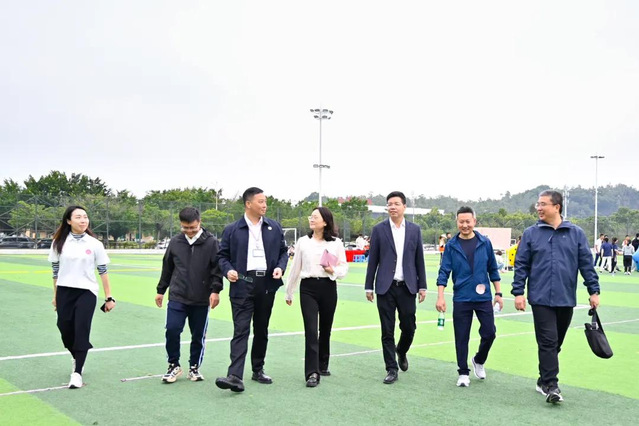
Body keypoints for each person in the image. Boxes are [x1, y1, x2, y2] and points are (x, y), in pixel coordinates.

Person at [512, 190, 600, 404]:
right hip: (540, 298)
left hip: (565, 297)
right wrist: (518, 292)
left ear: (557, 207)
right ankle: (551, 385)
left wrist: (594, 290)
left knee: (556, 342)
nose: (539, 208)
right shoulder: (531, 233)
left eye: (543, 204)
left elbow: (586, 264)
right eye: (538, 204)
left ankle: (543, 378)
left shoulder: (576, 233)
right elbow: (521, 264)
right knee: (548, 341)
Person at [215, 187, 289, 393]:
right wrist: (228, 270)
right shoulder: (232, 229)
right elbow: (222, 256)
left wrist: (280, 267)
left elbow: (284, 252)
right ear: (248, 204)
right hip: (242, 284)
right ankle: (235, 376)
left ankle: (258, 369)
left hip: (266, 284)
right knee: (241, 329)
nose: (265, 205)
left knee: (261, 329)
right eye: (261, 201)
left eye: (265, 202)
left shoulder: (274, 227)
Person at [48, 205, 116, 389]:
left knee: (81, 329)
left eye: (85, 217)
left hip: (87, 291)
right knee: (64, 327)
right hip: (64, 291)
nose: (83, 220)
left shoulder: (95, 244)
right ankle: (77, 355)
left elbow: (103, 271)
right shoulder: (58, 243)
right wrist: (55, 296)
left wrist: (109, 297)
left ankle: (77, 372)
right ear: (68, 221)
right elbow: (55, 271)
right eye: (78, 217)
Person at [365, 191, 427, 384]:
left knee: (409, 326)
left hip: (407, 286)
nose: (392, 207)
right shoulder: (379, 230)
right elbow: (373, 260)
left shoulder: (414, 230)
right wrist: (368, 286)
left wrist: (422, 286)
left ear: (404, 207)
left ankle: (401, 350)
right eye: (389, 204)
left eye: (396, 204)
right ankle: (391, 369)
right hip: (385, 287)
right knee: (387, 330)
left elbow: (419, 259)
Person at [155, 207, 223, 383]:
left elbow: (217, 269)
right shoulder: (175, 242)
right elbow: (167, 267)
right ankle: (173, 365)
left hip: (201, 298)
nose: (189, 231)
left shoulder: (211, 243)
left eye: (192, 227)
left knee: (198, 335)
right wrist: (161, 290)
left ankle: (194, 367)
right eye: (185, 227)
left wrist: (215, 291)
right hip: (177, 295)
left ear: (199, 223)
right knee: (172, 329)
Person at [436, 207, 502, 387]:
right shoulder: (451, 245)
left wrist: (498, 293)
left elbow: (493, 269)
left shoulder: (485, 242)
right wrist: (441, 297)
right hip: (461, 297)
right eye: (461, 222)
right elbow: (444, 272)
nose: (464, 225)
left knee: (490, 333)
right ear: (457, 222)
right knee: (461, 336)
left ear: (474, 221)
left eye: (468, 221)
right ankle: (463, 372)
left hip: (483, 297)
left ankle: (479, 360)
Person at [285, 207, 348, 387]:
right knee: (311, 330)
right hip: (308, 288)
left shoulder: (336, 243)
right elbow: (295, 268)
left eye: (315, 217)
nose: (311, 219)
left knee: (325, 329)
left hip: (328, 287)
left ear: (325, 222)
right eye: (310, 217)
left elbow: (344, 268)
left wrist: (332, 270)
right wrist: (289, 291)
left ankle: (323, 363)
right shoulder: (303, 242)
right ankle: (312, 372)